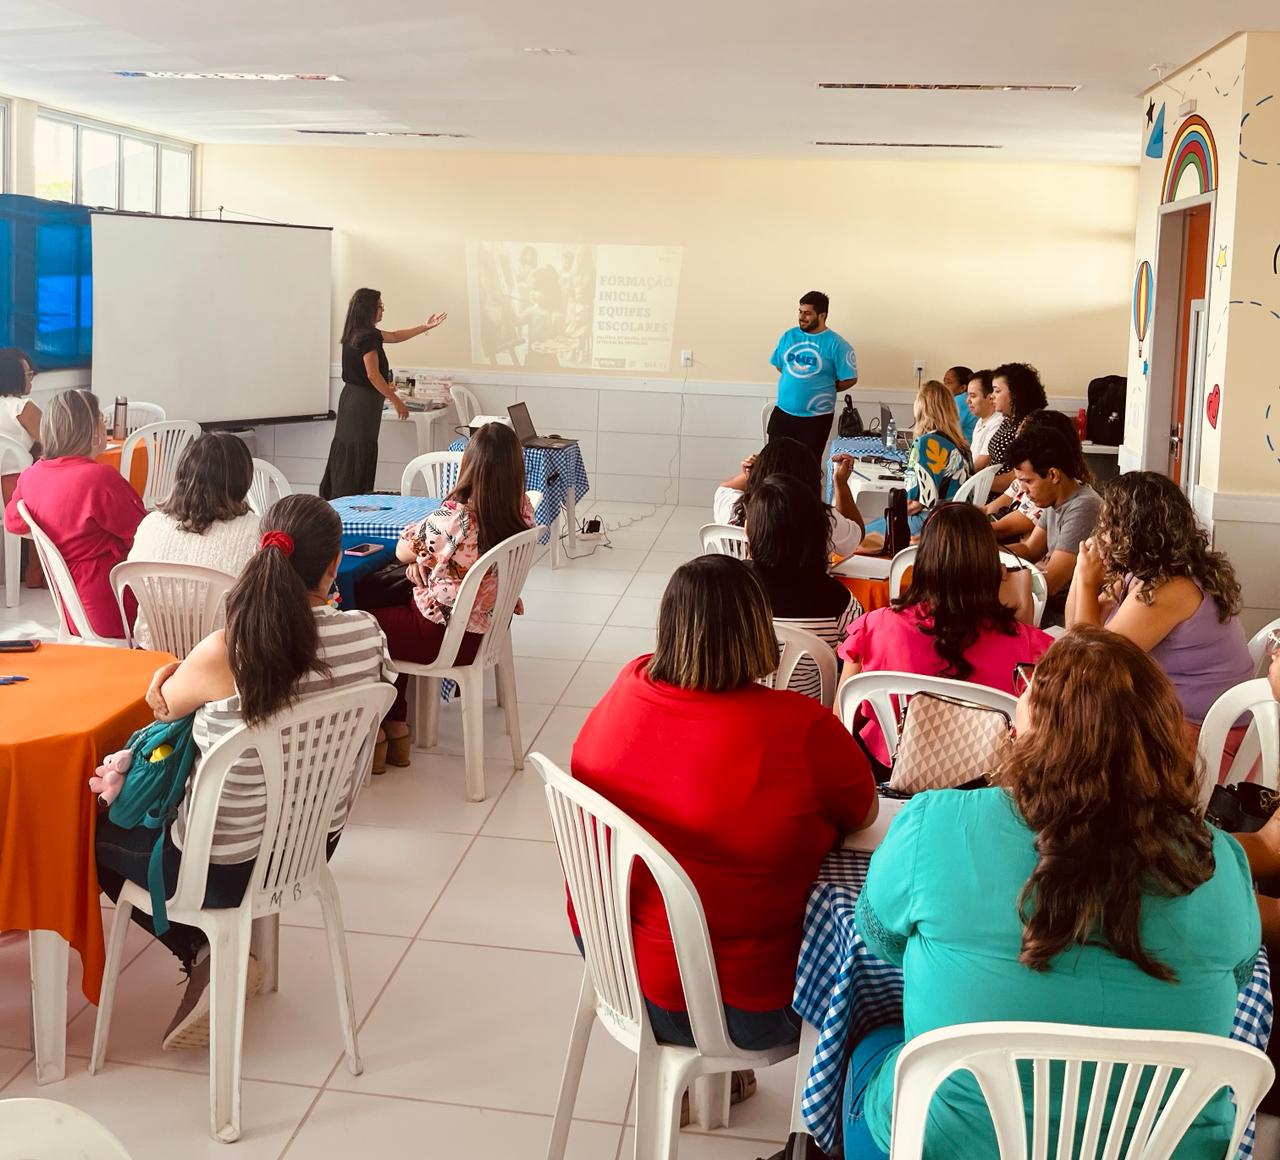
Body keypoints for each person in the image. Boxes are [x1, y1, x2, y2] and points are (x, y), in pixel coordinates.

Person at [841, 627, 1261, 1160]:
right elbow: (1241, 975)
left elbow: (881, 941)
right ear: (1162, 740)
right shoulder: (1220, 862)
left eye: (1026, 689)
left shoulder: (934, 824)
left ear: (1029, 728)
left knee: (867, 1050)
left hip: (952, 1144)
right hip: (1172, 1147)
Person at [95, 494, 397, 1049]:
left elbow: (163, 709)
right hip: (306, 848)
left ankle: (202, 952)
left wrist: (166, 675)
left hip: (217, 865)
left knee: (90, 836)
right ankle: (226, 956)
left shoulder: (227, 649)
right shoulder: (366, 635)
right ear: (334, 567)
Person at [570, 555, 878, 1054]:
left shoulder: (627, 686)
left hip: (613, 967)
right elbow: (863, 813)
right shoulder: (800, 727)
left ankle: (698, 1079)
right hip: (746, 1008)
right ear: (759, 628)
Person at [838, 502, 1051, 771]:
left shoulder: (875, 627)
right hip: (986, 785)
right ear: (993, 567)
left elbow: (843, 719)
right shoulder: (1031, 646)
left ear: (922, 561)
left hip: (888, 775)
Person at [371, 421, 534, 767]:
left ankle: (382, 734)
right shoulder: (521, 510)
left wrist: (418, 559)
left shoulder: (456, 518)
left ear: (469, 466)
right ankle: (397, 728)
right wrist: (426, 566)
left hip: (442, 637)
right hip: (485, 630)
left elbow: (402, 551)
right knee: (400, 602)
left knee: (368, 622)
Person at [1066, 471, 1253, 725]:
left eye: (1108, 525)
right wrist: (1081, 570)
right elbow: (1074, 632)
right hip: (1169, 717)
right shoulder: (1142, 573)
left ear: (1133, 532)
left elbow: (1092, 665)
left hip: (1201, 733)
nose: (1100, 534)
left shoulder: (1171, 588)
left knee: (1072, 720)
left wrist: (1088, 583)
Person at [3, 389, 145, 638]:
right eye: (101, 417)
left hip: (71, 609)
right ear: (91, 429)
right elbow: (144, 534)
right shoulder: (100, 479)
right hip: (115, 605)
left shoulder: (32, 475)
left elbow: (14, 523)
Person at [127, 431, 261, 648]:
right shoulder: (255, 531)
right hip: (225, 661)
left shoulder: (150, 525)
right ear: (243, 480)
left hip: (156, 656)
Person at [319, 288, 447, 500]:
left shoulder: (355, 332)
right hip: (363, 403)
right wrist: (396, 400)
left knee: (349, 448)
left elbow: (396, 336)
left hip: (351, 398)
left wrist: (425, 327)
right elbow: (372, 374)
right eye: (380, 307)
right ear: (369, 308)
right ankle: (354, 499)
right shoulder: (368, 337)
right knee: (360, 449)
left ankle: (341, 497)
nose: (383, 311)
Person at [745, 475, 863, 698]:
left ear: (752, 531)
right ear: (817, 531)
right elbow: (861, 651)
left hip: (740, 716)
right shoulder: (837, 599)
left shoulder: (730, 583)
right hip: (808, 716)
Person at [1003, 423, 1101, 627]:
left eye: (1028, 481)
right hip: (1048, 603)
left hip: (1063, 615)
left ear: (1054, 475)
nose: (1024, 490)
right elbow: (1030, 549)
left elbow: (1050, 584)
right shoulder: (1055, 498)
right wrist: (982, 553)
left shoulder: (1084, 506)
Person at [715, 436, 864, 557]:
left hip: (744, 592)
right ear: (810, 480)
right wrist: (841, 483)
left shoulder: (735, 509)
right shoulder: (824, 519)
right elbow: (856, 537)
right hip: (805, 594)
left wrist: (752, 476)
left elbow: (725, 488)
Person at [862, 380, 971, 545]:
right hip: (956, 521)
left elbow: (916, 504)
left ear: (921, 407)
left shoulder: (928, 444)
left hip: (931, 523)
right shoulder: (961, 445)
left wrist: (889, 517)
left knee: (861, 535)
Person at [767, 291, 858, 464]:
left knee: (807, 468)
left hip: (816, 419)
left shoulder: (837, 344)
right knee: (774, 466)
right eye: (800, 312)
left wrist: (826, 386)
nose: (802, 317)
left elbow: (850, 378)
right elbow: (781, 366)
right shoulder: (789, 336)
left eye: (807, 313)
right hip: (783, 414)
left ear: (822, 315)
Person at [985, 410, 1092, 542]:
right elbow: (1029, 549)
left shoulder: (1060, 496)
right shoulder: (1051, 495)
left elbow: (1002, 530)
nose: (1023, 488)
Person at [0, 348, 44, 588]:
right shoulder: (21, 407)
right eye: (29, 374)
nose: (31, 379)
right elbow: (54, 442)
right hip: (16, 493)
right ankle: (36, 570)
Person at [984, 362, 1048, 492]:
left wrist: (975, 485)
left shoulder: (1030, 425)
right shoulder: (1008, 420)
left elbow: (1016, 477)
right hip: (992, 492)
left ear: (1015, 394)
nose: (991, 396)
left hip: (1010, 498)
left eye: (997, 391)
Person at [965, 369, 1003, 467]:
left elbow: (980, 464)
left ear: (990, 398)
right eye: (968, 396)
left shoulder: (998, 423)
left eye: (973, 396)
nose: (967, 401)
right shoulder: (981, 421)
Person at [941, 364, 976, 446]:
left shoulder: (960, 400)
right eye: (944, 382)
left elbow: (946, 429)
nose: (944, 386)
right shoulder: (967, 398)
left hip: (963, 449)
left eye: (948, 383)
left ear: (962, 388)